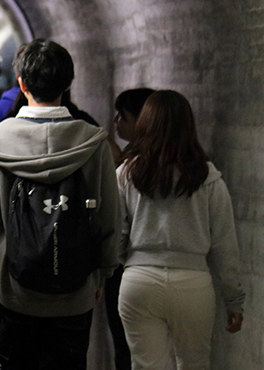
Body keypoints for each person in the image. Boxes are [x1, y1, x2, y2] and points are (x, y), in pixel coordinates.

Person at [0, 38, 119, 370]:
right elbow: (109, 217)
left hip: (15, 287)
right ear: (69, 83)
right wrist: (102, 272)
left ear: (21, 83)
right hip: (76, 290)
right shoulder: (93, 142)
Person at [117, 90, 245, 370]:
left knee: (145, 365)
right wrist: (233, 299)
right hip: (192, 285)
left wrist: (113, 269)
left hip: (139, 281)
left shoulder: (127, 174)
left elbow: (118, 234)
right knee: (195, 364)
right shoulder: (209, 179)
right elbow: (225, 245)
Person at [103, 87, 155, 370]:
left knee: (126, 349)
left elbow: (118, 224)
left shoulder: (128, 169)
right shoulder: (194, 166)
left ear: (141, 120)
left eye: (122, 115)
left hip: (128, 272)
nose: (115, 121)